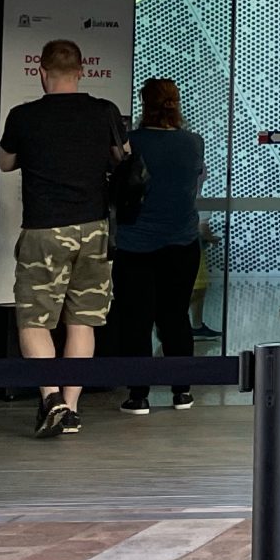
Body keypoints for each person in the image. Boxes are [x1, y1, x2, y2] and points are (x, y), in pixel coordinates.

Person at [0, 39, 128, 439]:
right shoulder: (104, 112)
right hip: (95, 229)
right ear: (81, 72)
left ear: (41, 71)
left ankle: (50, 397)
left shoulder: (23, 116)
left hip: (44, 230)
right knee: (83, 321)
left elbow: (4, 163)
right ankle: (70, 409)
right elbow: (124, 156)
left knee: (34, 320)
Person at [114, 78, 205, 415]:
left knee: (137, 320)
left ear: (143, 104)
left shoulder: (131, 143)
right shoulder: (194, 143)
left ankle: (138, 395)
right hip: (182, 242)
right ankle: (182, 391)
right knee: (175, 317)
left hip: (134, 243)